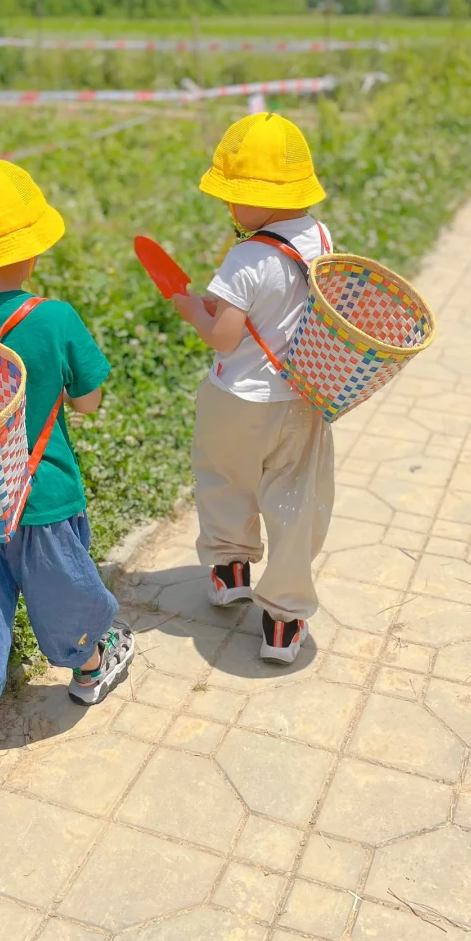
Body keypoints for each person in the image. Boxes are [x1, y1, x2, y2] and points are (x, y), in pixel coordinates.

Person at [0, 159, 134, 809]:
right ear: (34, 245)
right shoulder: (54, 318)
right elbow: (91, 401)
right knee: (64, 589)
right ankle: (90, 667)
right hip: (41, 498)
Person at [171, 112, 334, 665]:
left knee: (223, 479)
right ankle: (284, 622)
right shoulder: (319, 239)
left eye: (233, 196)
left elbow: (222, 337)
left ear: (260, 200)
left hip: (235, 399)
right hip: (300, 399)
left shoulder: (246, 256)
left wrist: (192, 306)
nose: (227, 207)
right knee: (294, 501)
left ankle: (229, 569)